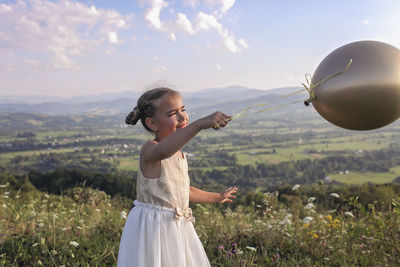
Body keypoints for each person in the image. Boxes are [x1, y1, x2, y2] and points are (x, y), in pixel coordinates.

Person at [117, 87, 238, 267]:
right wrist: (198, 125)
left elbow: (183, 191)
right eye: (173, 113)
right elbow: (162, 150)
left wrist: (217, 197)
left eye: (183, 109)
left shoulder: (179, 154)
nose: (182, 117)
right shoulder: (150, 149)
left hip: (177, 226)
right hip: (153, 229)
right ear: (152, 124)